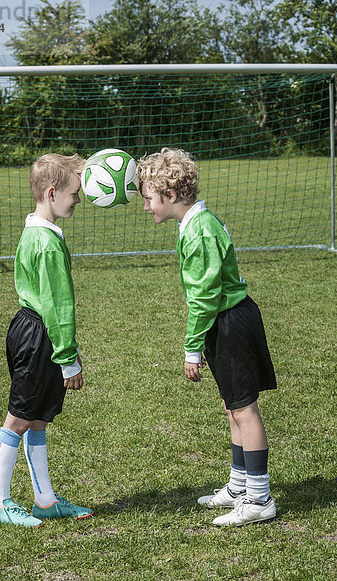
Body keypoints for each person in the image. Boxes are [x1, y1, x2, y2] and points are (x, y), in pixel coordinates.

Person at [137, 147, 277, 527]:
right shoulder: (195, 223)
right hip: (225, 320)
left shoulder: (199, 231)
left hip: (230, 321)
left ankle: (260, 498)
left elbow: (204, 297)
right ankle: (238, 486)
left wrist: (192, 348)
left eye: (148, 198)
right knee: (232, 405)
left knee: (244, 409)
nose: (146, 206)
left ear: (169, 194)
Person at [0, 153, 94, 527]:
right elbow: (58, 306)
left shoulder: (34, 229)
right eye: (74, 194)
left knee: (37, 420)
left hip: (31, 329)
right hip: (39, 335)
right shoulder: (46, 243)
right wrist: (69, 359)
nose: (77, 200)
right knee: (18, 418)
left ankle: (44, 501)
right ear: (52, 193)